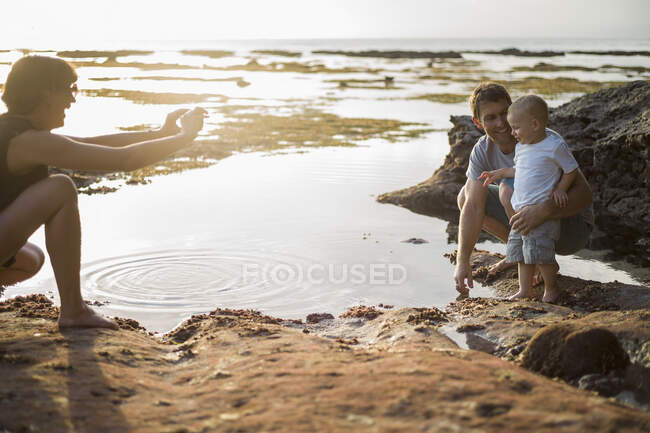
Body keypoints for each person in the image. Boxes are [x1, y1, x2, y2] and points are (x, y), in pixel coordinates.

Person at [0, 55, 206, 329]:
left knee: (30, 259)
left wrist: (161, 133)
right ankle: (74, 310)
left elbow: (93, 144)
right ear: (46, 92)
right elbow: (123, 160)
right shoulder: (25, 141)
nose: (72, 100)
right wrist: (183, 138)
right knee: (60, 187)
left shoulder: (16, 131)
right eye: (69, 89)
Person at [454, 82, 593, 296]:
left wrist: (544, 210)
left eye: (504, 113)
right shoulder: (482, 151)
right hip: (531, 223)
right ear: (478, 123)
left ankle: (536, 257)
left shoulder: (542, 138)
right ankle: (520, 255)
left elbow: (585, 195)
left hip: (571, 228)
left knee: (506, 190)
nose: (501, 123)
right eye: (490, 118)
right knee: (466, 196)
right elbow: (472, 207)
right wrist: (463, 262)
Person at [478, 95, 578, 302]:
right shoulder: (522, 145)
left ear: (534, 124)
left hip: (540, 213)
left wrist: (561, 188)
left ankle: (552, 289)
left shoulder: (553, 145)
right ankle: (526, 290)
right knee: (522, 252)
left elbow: (571, 169)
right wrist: (502, 172)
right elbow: (522, 170)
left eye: (515, 127)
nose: (511, 132)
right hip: (520, 212)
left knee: (541, 252)